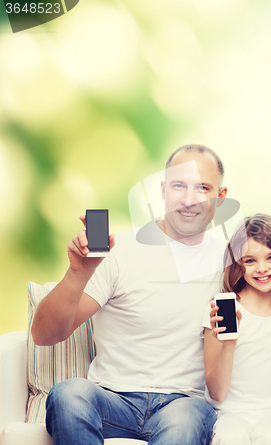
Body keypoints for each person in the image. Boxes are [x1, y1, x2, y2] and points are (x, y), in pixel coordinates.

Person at [31, 144, 228, 445]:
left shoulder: (232, 264)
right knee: (69, 394)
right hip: (112, 400)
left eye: (202, 187)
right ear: (163, 190)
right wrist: (78, 273)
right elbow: (44, 334)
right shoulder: (120, 251)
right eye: (179, 185)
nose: (189, 199)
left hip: (182, 404)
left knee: (185, 422)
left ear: (221, 198)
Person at [203, 214, 271, 445]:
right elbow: (217, 393)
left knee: (270, 438)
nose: (262, 269)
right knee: (231, 439)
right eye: (250, 260)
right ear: (237, 264)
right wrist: (229, 345)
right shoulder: (221, 309)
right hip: (229, 414)